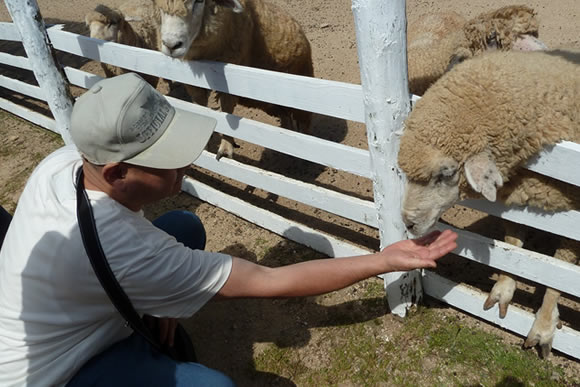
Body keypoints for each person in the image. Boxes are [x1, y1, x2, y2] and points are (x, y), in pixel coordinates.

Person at [0, 73, 458, 386]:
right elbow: (268, 281)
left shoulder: (62, 163)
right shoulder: (125, 248)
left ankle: (150, 305)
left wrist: (161, 301)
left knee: (183, 224)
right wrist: (383, 260)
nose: (185, 165)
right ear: (118, 173)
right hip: (54, 372)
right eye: (167, 159)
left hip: (59, 309)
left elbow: (122, 254)